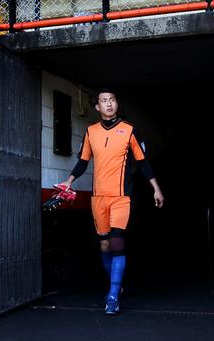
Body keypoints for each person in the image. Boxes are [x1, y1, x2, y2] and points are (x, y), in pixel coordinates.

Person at [58, 89, 164, 315]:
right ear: (97, 107)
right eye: (104, 101)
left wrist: (156, 188)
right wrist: (69, 181)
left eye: (112, 100)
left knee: (117, 242)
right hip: (99, 199)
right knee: (104, 245)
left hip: (121, 197)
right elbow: (82, 163)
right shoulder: (90, 132)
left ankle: (113, 295)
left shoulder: (130, 130)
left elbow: (143, 163)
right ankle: (117, 285)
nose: (109, 104)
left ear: (117, 104)